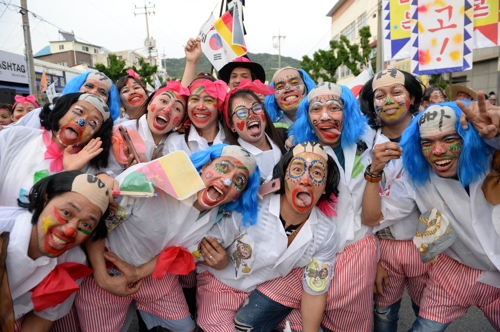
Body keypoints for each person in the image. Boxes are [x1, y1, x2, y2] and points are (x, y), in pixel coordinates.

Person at [76, 144, 261, 332]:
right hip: (102, 272)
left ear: (236, 196)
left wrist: (138, 273)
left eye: (239, 180)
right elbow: (95, 224)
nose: (228, 181)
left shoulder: (215, 221)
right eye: (223, 167)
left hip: (155, 277)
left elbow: (176, 253)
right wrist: (102, 277)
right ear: (204, 166)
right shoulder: (148, 182)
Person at [249, 82, 376, 331]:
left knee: (349, 323)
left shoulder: (367, 144)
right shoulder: (300, 151)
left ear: (347, 112)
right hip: (310, 248)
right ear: (307, 117)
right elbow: (272, 186)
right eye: (316, 109)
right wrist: (252, 193)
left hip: (357, 250)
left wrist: (379, 258)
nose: (325, 115)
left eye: (334, 107)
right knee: (273, 316)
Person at [363, 101, 500, 331]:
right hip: (455, 270)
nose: (437, 151)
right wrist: (374, 172)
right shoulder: (418, 178)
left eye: (449, 139)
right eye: (427, 143)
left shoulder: (490, 157)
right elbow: (372, 217)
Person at [196, 142, 339, 332]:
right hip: (221, 287)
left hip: (268, 295)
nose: (306, 180)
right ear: (283, 176)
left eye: (317, 173)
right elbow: (197, 249)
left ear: (325, 187)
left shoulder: (326, 233)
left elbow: (314, 290)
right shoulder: (250, 207)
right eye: (297, 169)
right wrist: (216, 260)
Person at [359, 68, 430, 331]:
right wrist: (374, 258)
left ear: (411, 97)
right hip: (383, 248)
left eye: (396, 92)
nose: (388, 101)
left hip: (428, 246)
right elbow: (358, 204)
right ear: (372, 103)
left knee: (429, 312)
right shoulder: (362, 142)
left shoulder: (433, 134)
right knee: (384, 315)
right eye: (380, 95)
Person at [0, 171, 109, 332]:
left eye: (86, 225)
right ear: (46, 199)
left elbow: (44, 315)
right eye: (66, 213)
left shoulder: (73, 261)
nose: (70, 230)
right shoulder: (3, 227)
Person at [0, 92, 113, 207]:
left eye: (93, 123)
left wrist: (71, 174)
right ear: (62, 110)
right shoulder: (14, 137)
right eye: (78, 111)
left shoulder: (89, 171)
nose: (81, 122)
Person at [112, 80, 190, 169]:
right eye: (163, 101)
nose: (167, 109)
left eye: (177, 108)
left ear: (181, 121)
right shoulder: (120, 133)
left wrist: (148, 169)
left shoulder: (179, 144)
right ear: (149, 103)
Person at [222, 79, 286, 182]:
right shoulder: (230, 160)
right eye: (241, 112)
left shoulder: (285, 138)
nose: (252, 115)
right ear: (231, 125)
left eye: (256, 108)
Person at [15, 71, 121, 128]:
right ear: (76, 87)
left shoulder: (108, 129)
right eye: (89, 86)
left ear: (108, 102)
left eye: (102, 92)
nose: (94, 92)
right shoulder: (43, 113)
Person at [165, 75, 229, 155]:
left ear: (219, 106)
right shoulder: (175, 143)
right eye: (194, 99)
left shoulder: (232, 140)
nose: (200, 107)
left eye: (208, 100)